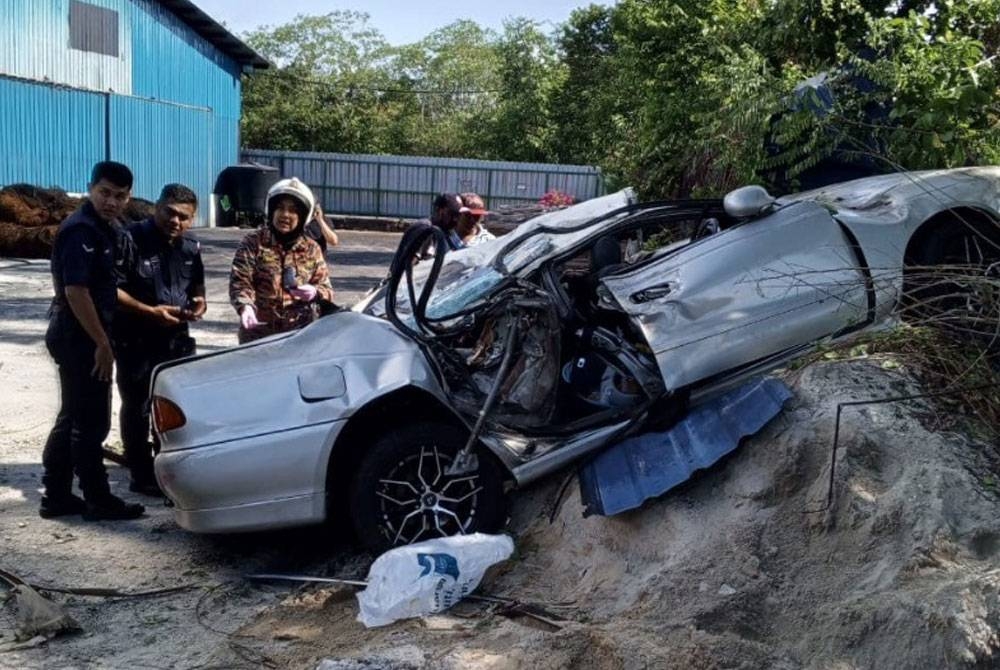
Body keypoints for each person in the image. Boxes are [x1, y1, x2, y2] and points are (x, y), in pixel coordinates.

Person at [41, 161, 145, 521]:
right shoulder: (80, 230)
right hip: (79, 336)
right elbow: (76, 291)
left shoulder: (107, 229)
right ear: (90, 189)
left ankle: (56, 495)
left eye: (119, 196)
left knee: (72, 416)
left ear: (128, 197)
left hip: (84, 333)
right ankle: (98, 499)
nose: (111, 201)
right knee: (90, 422)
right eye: (104, 193)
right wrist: (102, 343)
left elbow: (106, 288)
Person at [115, 184, 206, 496]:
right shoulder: (130, 239)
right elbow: (112, 289)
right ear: (157, 206)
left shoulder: (190, 247)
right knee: (137, 406)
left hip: (175, 340)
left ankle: (167, 468)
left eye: (184, 217)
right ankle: (140, 474)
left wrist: (199, 303)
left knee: (171, 407)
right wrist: (148, 310)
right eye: (170, 212)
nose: (175, 221)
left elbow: (197, 285)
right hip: (136, 339)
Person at [229, 177, 334, 343]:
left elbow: (326, 288)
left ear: (302, 216)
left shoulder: (312, 248)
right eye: (280, 208)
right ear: (271, 211)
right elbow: (240, 281)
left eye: (293, 210)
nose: (285, 215)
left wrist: (315, 292)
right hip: (257, 334)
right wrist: (245, 306)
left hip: (298, 337)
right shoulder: (253, 242)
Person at [418, 193, 465, 260]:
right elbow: (409, 263)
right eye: (452, 214)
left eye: (458, 215)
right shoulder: (425, 230)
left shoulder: (450, 233)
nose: (455, 219)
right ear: (439, 210)